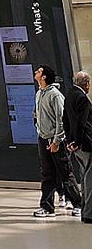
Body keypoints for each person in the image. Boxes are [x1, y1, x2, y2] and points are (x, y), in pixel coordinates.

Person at [33, 65, 82, 217]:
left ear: (44, 77)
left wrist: (56, 140)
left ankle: (79, 204)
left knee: (65, 173)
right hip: (43, 139)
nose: (36, 72)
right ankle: (47, 207)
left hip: (55, 141)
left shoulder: (55, 95)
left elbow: (61, 119)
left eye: (39, 71)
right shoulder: (39, 93)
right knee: (47, 174)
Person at [65, 70, 92, 222]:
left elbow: (66, 121)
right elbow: (81, 123)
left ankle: (85, 211)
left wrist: (70, 141)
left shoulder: (70, 95)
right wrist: (77, 141)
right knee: (89, 180)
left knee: (84, 176)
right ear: (86, 84)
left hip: (76, 146)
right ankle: (89, 213)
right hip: (85, 145)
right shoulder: (82, 98)